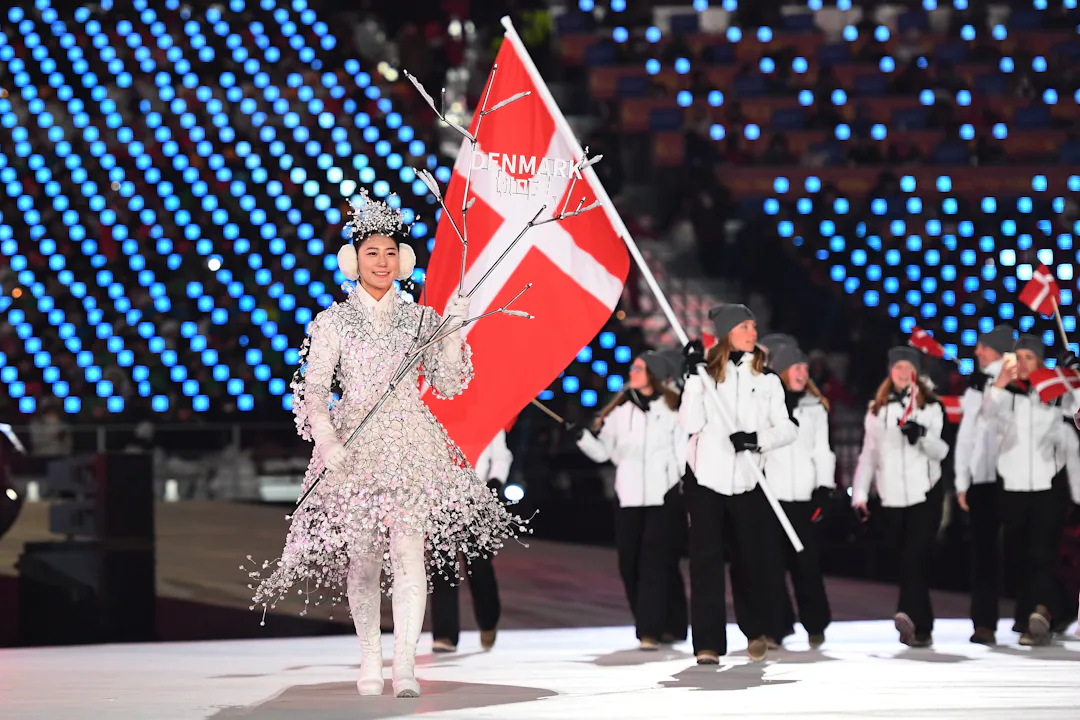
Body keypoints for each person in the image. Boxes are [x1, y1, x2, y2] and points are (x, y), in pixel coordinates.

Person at [247, 190, 525, 698]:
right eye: (372, 252)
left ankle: (405, 666)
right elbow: (313, 389)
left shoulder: (420, 318)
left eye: (391, 252)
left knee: (410, 553)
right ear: (353, 260)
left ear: (403, 261)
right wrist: (327, 439)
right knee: (365, 557)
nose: (382, 261)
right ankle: (370, 658)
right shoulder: (332, 321)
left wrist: (456, 332)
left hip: (411, 445)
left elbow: (446, 381)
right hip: (356, 450)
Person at [680, 304, 797, 664]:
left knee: (751, 560)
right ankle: (708, 643)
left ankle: (756, 629)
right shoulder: (705, 377)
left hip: (748, 480)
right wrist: (692, 379)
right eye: (745, 326)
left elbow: (787, 428)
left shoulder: (767, 380)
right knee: (706, 563)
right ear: (728, 332)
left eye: (753, 326)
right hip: (706, 480)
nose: (752, 332)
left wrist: (755, 439)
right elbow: (689, 422)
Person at [574, 350, 690, 649]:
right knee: (630, 563)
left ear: (654, 374)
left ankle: (650, 629)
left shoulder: (675, 410)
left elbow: (682, 453)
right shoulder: (619, 413)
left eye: (639, 368)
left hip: (662, 497)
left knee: (656, 563)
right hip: (627, 498)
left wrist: (669, 481)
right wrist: (583, 438)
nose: (632, 372)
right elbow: (604, 453)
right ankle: (668, 622)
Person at [981, 336, 1079, 646]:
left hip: (1047, 485)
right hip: (1012, 485)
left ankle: (1041, 613)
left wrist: (1075, 377)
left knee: (1042, 552)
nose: (1022, 363)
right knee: (1018, 554)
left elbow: (1078, 409)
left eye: (1029, 357)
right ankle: (1037, 613)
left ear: (1039, 362)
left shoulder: (1052, 390)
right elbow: (986, 415)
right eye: (1018, 356)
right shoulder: (1003, 392)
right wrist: (1000, 383)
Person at [852, 347, 949, 648]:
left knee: (914, 557)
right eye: (898, 367)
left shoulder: (930, 407)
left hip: (926, 492)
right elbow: (869, 454)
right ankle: (923, 627)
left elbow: (941, 451)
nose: (903, 372)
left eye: (909, 368)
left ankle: (907, 615)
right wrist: (860, 494)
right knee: (907, 561)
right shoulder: (877, 410)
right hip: (891, 495)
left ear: (916, 373)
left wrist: (921, 435)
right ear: (890, 371)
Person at [763, 343, 836, 647]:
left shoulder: (814, 408)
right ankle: (777, 626)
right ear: (782, 371)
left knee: (806, 564)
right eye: (797, 368)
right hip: (773, 496)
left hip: (804, 496)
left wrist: (824, 487)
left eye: (805, 368)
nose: (803, 374)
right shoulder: (766, 407)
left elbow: (822, 450)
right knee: (772, 566)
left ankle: (816, 624)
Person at [953, 324, 1014, 645]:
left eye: (983, 347)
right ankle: (986, 623)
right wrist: (963, 480)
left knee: (1009, 550)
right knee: (985, 553)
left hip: (1014, 475)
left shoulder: (1021, 380)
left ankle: (1035, 613)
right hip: (984, 477)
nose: (977, 351)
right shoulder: (976, 384)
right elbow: (967, 436)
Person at [430, 430, 513, 653]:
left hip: (480, 497)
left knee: (479, 566)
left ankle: (488, 621)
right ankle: (445, 634)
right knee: (442, 566)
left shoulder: (488, 413)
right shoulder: (434, 409)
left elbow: (502, 456)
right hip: (441, 499)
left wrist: (494, 482)